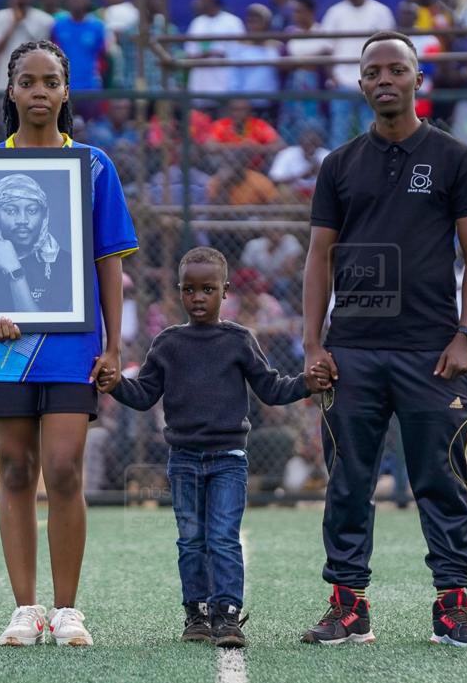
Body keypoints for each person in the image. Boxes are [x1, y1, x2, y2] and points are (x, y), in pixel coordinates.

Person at [0, 39, 138, 647]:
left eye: (51, 81)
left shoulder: (93, 165)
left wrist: (114, 347)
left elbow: (108, 262)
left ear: (66, 91)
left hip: (73, 346)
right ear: (11, 90)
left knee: (65, 469)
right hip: (3, 348)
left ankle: (68, 609)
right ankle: (25, 608)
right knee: (16, 470)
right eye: (28, 81)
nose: (39, 91)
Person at [300, 31, 467, 647]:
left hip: (433, 352)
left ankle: (452, 609)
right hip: (352, 351)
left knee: (441, 481)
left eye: (396, 69)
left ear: (418, 79)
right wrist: (313, 344)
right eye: (373, 72)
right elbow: (318, 257)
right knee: (348, 483)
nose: (384, 79)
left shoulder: (456, 158)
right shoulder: (339, 165)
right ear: (360, 84)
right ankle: (348, 608)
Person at [100, 247, 327, 648]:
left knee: (222, 537)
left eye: (207, 289)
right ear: (179, 292)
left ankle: (227, 616)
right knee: (191, 540)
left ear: (225, 291)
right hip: (183, 460)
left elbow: (271, 389)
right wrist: (116, 384)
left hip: (228, 461)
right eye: (189, 289)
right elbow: (144, 394)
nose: (198, 297)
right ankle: (196, 614)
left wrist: (305, 384)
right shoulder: (167, 343)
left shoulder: (239, 340)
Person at [0, 172, 73, 313]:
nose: (22, 220)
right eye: (11, 211)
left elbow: (41, 324)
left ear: (44, 215)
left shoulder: (64, 263)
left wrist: (14, 271)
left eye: (32, 211)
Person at [321, 0, 394, 146]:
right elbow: (326, 49)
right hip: (342, 82)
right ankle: (339, 165)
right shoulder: (334, 12)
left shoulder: (381, 12)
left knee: (372, 131)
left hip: (372, 82)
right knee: (339, 134)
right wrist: (333, 78)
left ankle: (371, 164)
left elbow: (390, 49)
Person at [184, 0, 244, 111]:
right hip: (199, 89)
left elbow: (237, 55)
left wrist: (215, 54)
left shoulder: (233, 22)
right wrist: (209, 54)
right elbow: (189, 55)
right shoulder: (197, 23)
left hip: (224, 89)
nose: (198, 0)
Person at [280, 0, 330, 144]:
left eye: (299, 11)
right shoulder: (290, 32)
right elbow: (284, 64)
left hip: (316, 91)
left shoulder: (322, 32)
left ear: (310, 12)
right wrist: (311, 59)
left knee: (314, 129)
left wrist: (298, 61)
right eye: (294, 12)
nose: (295, 15)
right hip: (293, 89)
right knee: (290, 127)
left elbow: (325, 59)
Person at [0, 0, 56, 88]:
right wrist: (14, 23)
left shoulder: (45, 20)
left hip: (33, 79)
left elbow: (44, 52)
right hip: (3, 79)